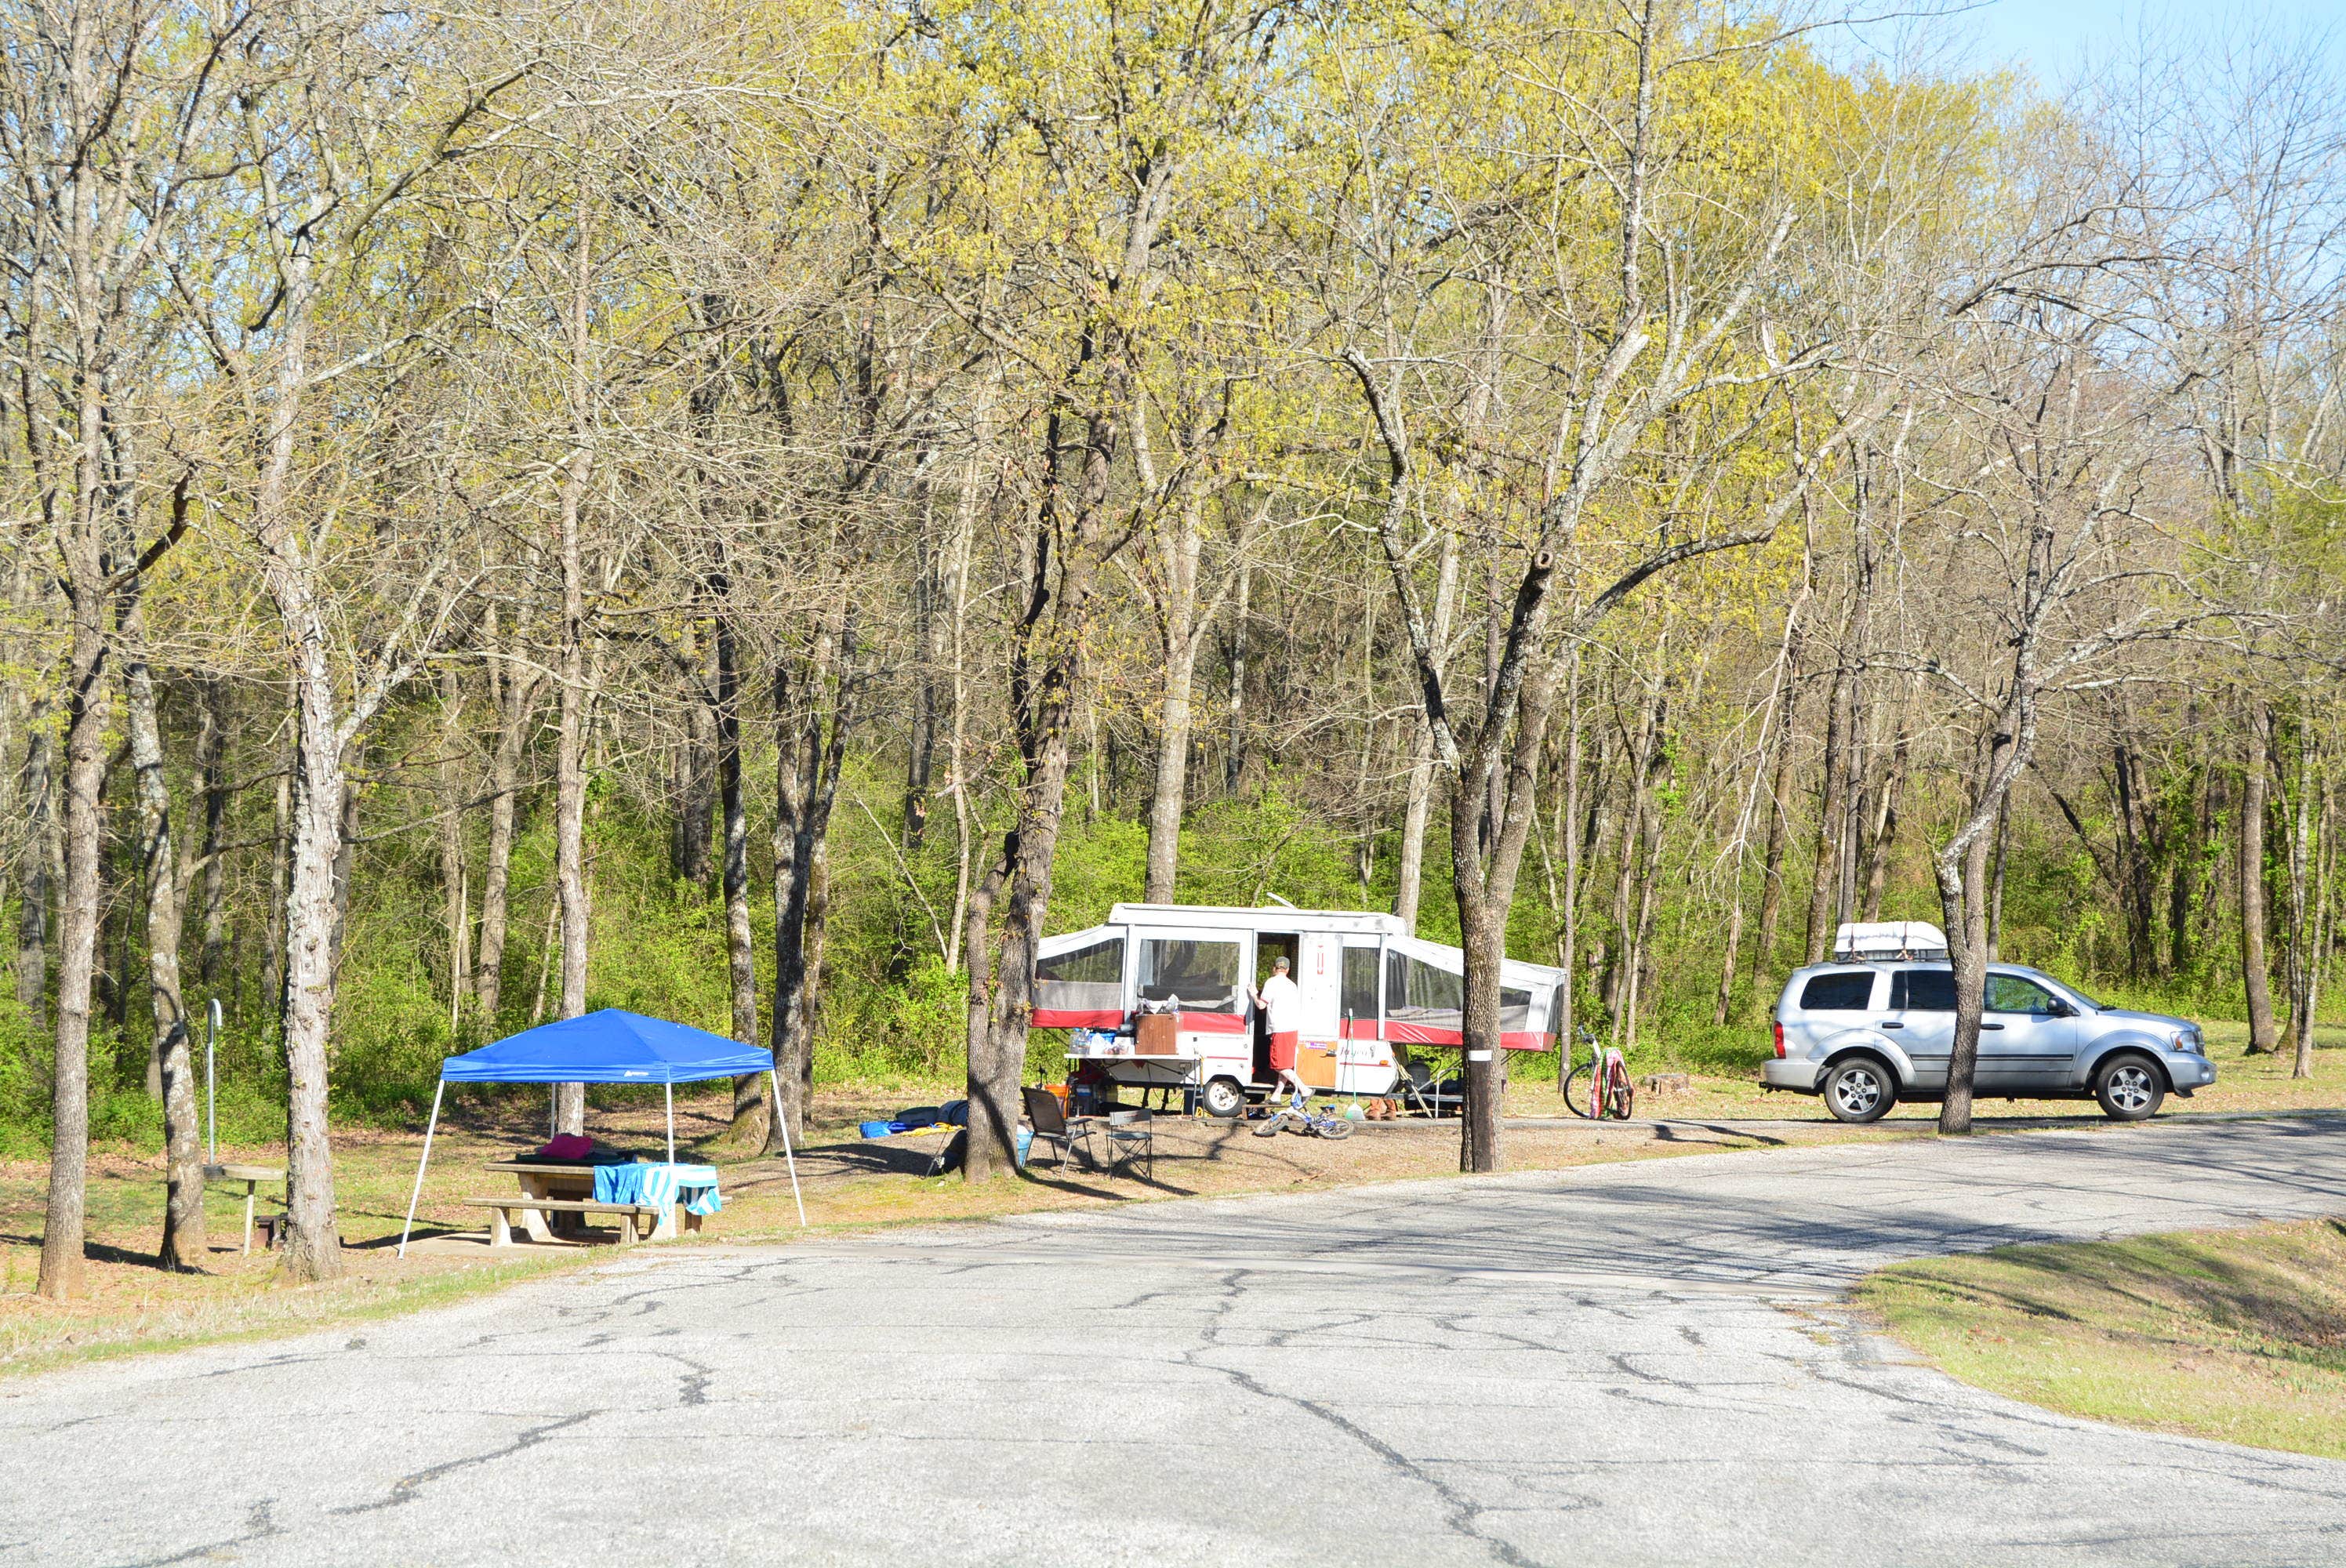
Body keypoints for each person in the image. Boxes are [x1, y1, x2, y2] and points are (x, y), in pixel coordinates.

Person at [1253, 954, 1310, 1109]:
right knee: (1285, 1064)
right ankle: (1276, 1095)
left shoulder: (1271, 983)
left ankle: (1305, 1089)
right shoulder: (1292, 985)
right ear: (1288, 970)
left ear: (1274, 968)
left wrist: (1253, 994)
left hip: (1280, 1029)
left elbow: (1261, 1006)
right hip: (1292, 1029)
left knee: (1278, 1065)